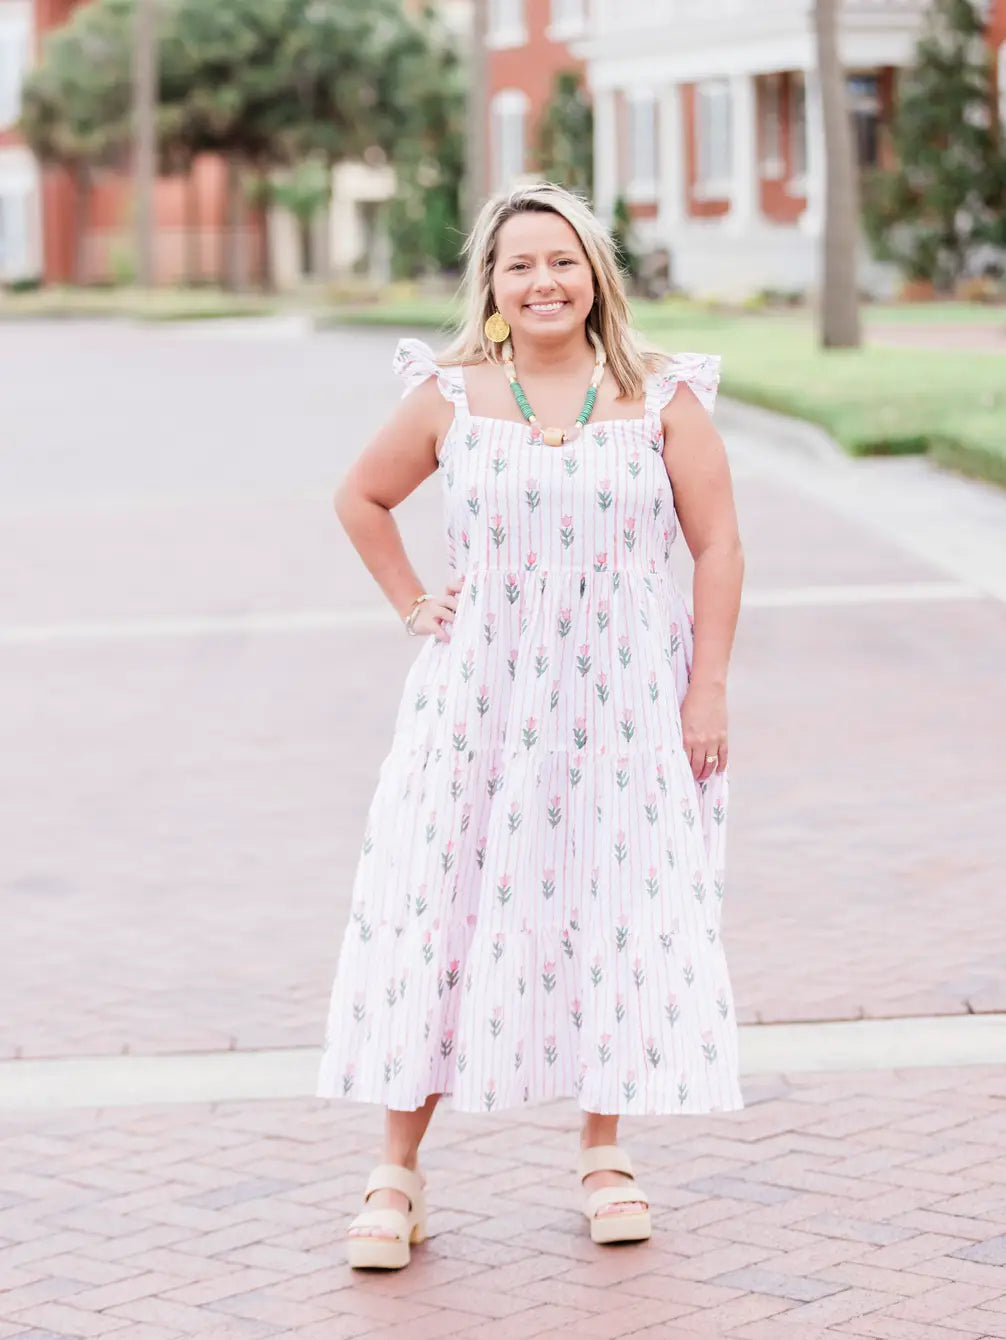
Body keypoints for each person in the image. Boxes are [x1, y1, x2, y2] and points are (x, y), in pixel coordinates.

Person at [317, 182, 745, 1270]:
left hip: (623, 705)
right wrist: (415, 601)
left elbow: (718, 544)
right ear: (493, 286)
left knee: (610, 905)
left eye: (563, 260)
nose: (543, 280)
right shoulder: (449, 396)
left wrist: (706, 687)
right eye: (520, 265)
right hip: (478, 706)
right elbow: (359, 497)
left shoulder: (661, 396)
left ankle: (605, 1155)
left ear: (596, 272)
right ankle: (395, 1169)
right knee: (440, 900)